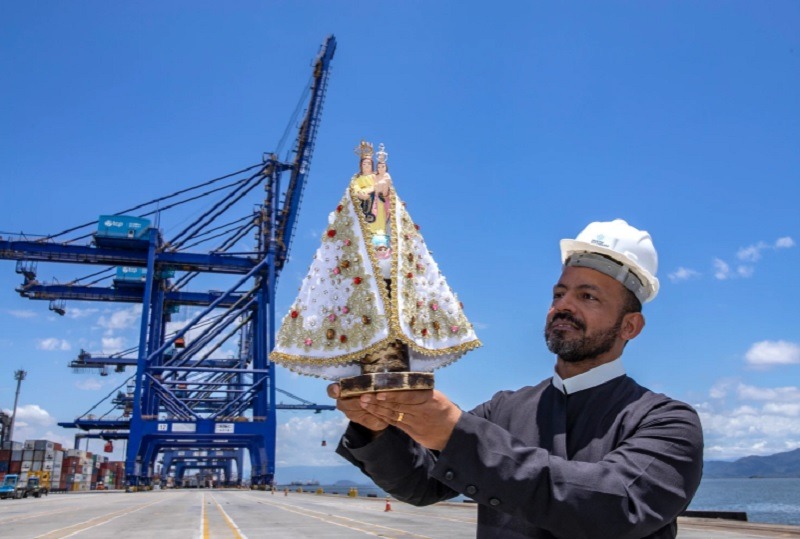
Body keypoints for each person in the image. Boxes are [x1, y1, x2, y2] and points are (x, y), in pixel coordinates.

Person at [328, 218, 704, 539]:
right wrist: (376, 428)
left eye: (588, 296)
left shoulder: (667, 423)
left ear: (630, 326)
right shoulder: (503, 409)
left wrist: (456, 434)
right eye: (560, 292)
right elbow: (421, 483)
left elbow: (616, 505)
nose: (564, 305)